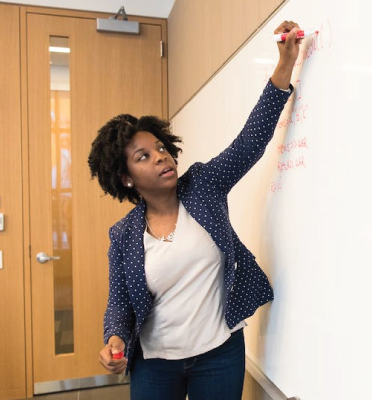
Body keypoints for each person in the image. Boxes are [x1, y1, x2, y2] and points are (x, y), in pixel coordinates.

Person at [89, 20, 301, 400]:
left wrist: (284, 65)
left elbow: (249, 143)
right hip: (155, 363)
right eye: (144, 156)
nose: (160, 157)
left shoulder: (203, 185)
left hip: (220, 353)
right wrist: (114, 339)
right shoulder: (123, 235)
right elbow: (119, 302)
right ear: (125, 178)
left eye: (160, 147)